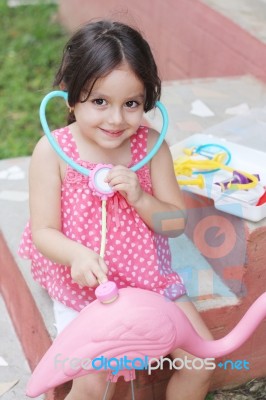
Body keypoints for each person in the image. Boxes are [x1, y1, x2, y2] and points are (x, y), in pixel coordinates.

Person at [19, 19, 214, 400]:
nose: (116, 119)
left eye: (131, 104)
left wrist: (141, 198)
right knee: (92, 382)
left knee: (200, 363)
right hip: (88, 285)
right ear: (71, 97)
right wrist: (76, 255)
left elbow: (174, 224)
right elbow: (44, 231)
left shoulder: (153, 147)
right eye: (99, 102)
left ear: (147, 102)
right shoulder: (54, 152)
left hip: (149, 280)